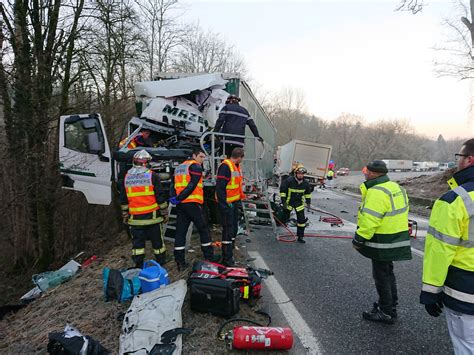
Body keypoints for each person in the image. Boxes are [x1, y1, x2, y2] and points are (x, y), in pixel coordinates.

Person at [420, 139, 474, 353]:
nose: (456, 162)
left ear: (470, 160)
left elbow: (440, 251)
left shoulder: (455, 200)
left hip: (465, 291)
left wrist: (430, 292)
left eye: (458, 157)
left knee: (467, 345)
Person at [352, 160, 411, 324]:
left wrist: (358, 239)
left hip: (382, 241)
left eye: (367, 171)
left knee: (381, 276)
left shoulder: (377, 191)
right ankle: (391, 306)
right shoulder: (397, 187)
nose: (365, 173)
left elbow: (370, 220)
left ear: (374, 173)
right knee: (388, 273)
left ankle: (386, 312)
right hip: (396, 238)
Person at [169, 147, 217, 271]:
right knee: (204, 229)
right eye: (201, 157)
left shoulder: (179, 167)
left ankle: (179, 261)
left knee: (180, 232)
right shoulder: (195, 166)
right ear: (194, 156)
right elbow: (192, 185)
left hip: (181, 205)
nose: (202, 160)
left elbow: (173, 185)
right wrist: (180, 197)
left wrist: (174, 198)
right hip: (193, 203)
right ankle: (209, 258)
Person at [120, 150, 169, 268]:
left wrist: (125, 214)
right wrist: (164, 212)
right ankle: (161, 261)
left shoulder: (126, 177)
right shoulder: (152, 175)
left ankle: (138, 264)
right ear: (146, 163)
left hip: (135, 218)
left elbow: (123, 198)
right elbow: (160, 196)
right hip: (152, 217)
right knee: (157, 242)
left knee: (137, 244)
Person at [216, 147, 245, 266]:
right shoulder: (226, 166)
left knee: (233, 228)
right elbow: (220, 188)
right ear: (239, 157)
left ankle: (230, 251)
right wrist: (224, 205)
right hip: (227, 204)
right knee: (227, 231)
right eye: (242, 158)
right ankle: (226, 258)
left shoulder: (235, 166)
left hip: (234, 202)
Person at [280, 165, 312, 243]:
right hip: (288, 203)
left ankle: (300, 237)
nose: (301, 175)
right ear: (296, 174)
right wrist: (283, 202)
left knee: (301, 221)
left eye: (302, 174)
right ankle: (280, 225)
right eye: (299, 173)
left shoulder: (306, 183)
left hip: (299, 204)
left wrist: (308, 203)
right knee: (284, 218)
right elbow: (283, 192)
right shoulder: (289, 181)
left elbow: (308, 194)